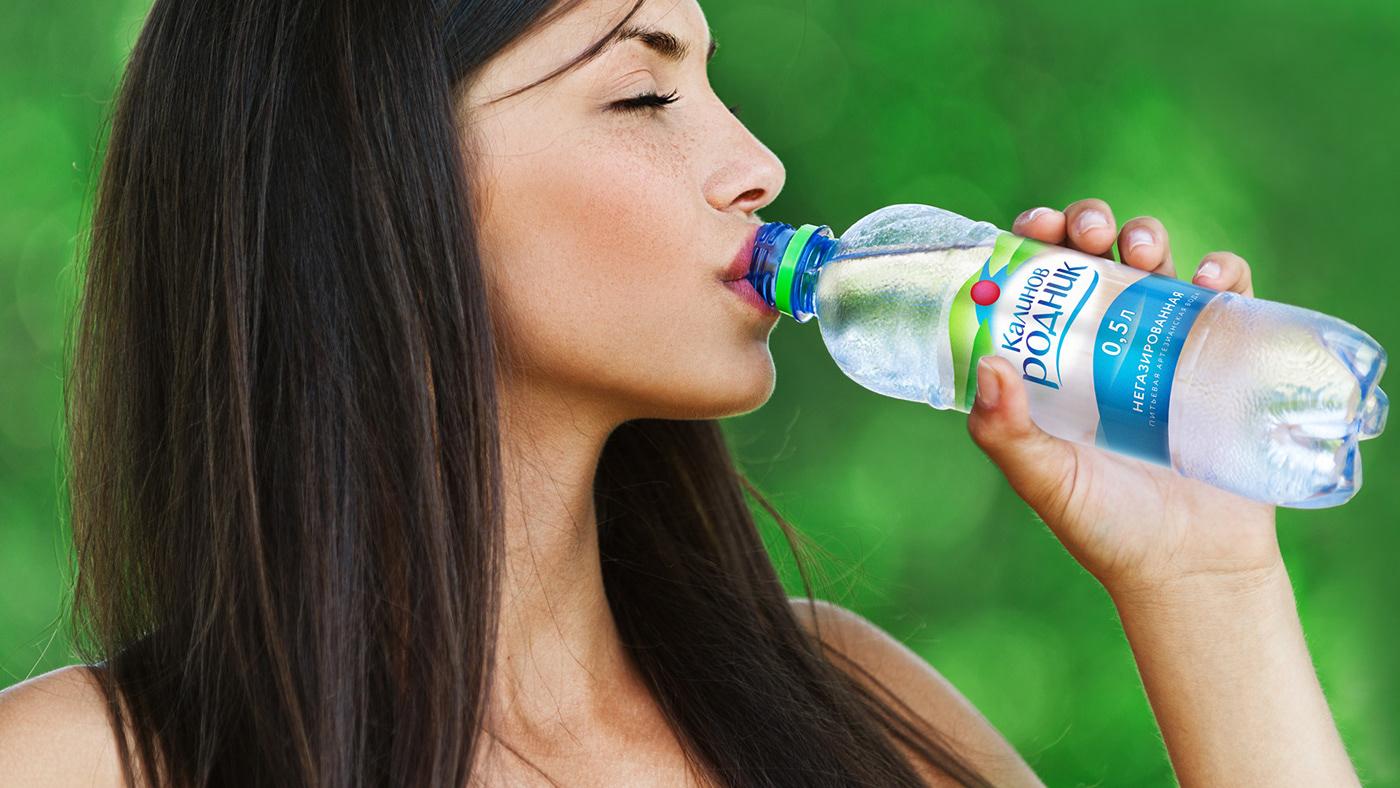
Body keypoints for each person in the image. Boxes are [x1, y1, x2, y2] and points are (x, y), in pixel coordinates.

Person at [0, 0, 1360, 785]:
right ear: (370, 184)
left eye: (707, 79)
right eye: (644, 97)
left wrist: (1205, 582)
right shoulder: (81, 765)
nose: (759, 163)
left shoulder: (845, 713)